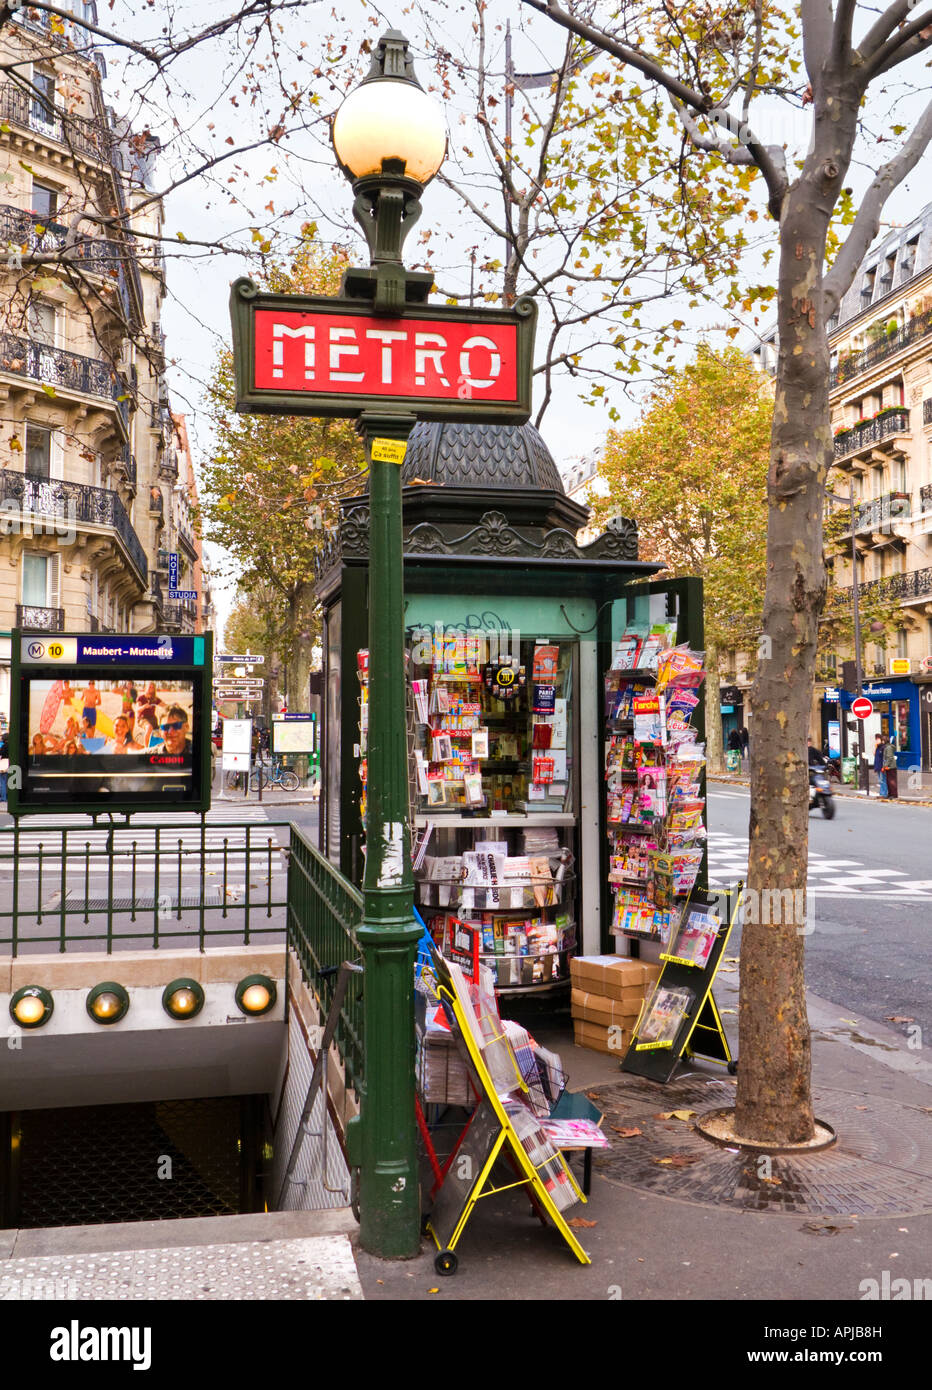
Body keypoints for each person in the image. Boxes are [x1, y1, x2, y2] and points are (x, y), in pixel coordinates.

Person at [873, 733, 888, 798]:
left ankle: (884, 794)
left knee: (882, 780)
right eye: (876, 739)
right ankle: (882, 793)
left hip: (882, 766)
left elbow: (884, 758)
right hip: (878, 766)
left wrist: (883, 767)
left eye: (877, 739)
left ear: (881, 740)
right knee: (881, 780)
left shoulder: (883, 747)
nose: (876, 741)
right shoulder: (878, 747)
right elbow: (874, 754)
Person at [0, 729, 9, 802]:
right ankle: (9, 797)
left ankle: (3, 797)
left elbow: (0, 753)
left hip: (4, 764)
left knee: (2, 781)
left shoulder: (4, 746)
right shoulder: (13, 745)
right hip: (12, 764)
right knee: (9, 782)